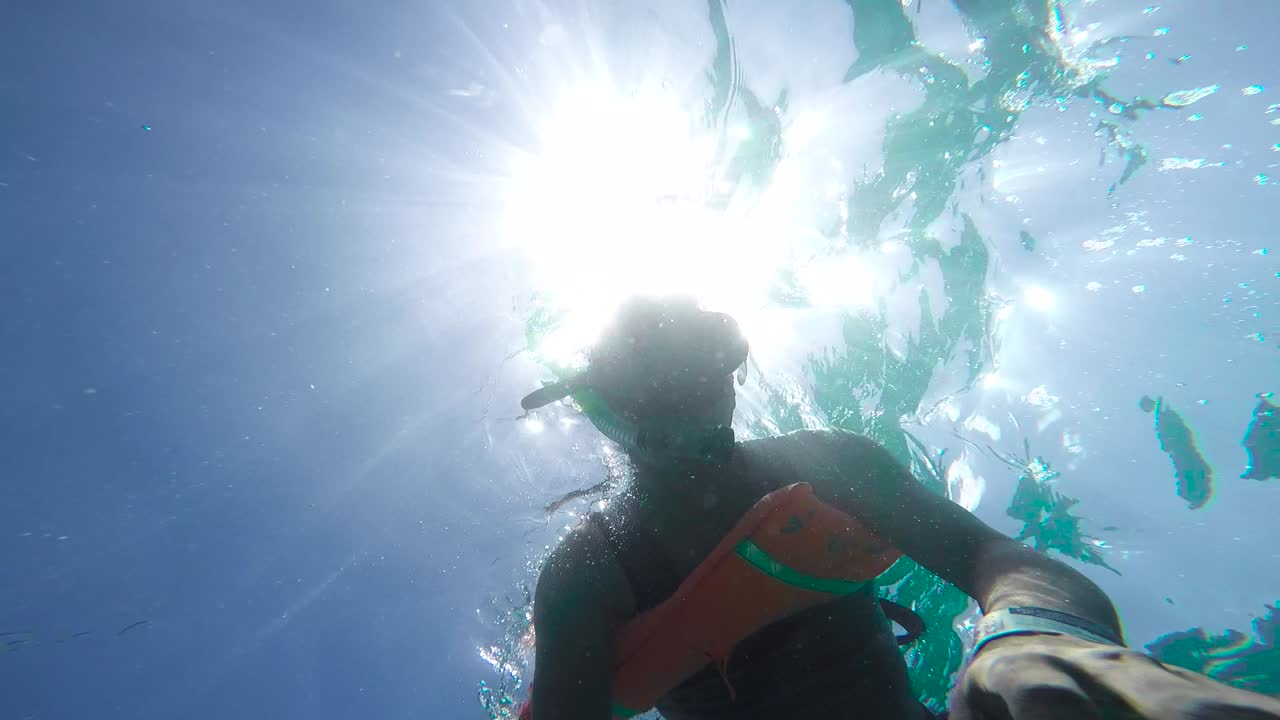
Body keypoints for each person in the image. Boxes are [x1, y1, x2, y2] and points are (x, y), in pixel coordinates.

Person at [518, 297, 1280, 720]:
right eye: (655, 402)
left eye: (702, 379)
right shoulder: (587, 575)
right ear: (606, 415)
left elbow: (995, 559)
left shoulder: (827, 464)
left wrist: (1032, 635)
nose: (693, 428)